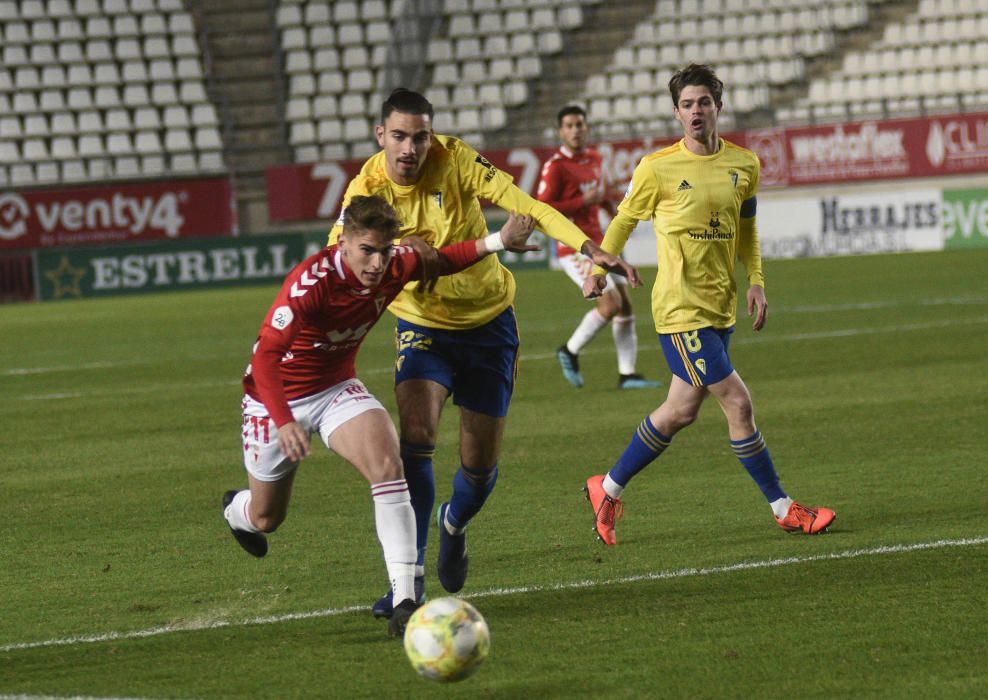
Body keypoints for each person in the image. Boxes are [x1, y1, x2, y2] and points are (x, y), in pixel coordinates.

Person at [329, 88, 640, 618]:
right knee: (417, 439)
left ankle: (453, 523)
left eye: (419, 136)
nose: (410, 148)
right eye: (399, 136)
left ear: (432, 136)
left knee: (478, 467)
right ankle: (412, 577)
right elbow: (342, 246)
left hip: (489, 321)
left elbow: (530, 207)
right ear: (381, 136)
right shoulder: (369, 188)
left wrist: (591, 250)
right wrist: (400, 251)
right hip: (422, 325)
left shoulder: (455, 159)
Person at [222, 194, 539, 637]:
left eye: (384, 250)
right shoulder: (311, 283)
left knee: (390, 467)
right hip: (276, 399)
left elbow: (441, 262)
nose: (376, 263)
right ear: (344, 243)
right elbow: (266, 359)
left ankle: (407, 599)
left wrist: (497, 241)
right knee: (267, 518)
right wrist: (283, 420)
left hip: (336, 389)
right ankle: (236, 512)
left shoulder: (395, 264)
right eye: (366, 250)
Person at [582, 64, 835, 545]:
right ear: (676, 113)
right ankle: (784, 509)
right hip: (680, 311)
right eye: (686, 104)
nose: (695, 111)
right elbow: (623, 220)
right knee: (738, 404)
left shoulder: (745, 164)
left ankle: (606, 487)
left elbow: (748, 229)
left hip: (720, 308)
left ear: (718, 106)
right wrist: (599, 268)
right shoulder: (656, 168)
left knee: (679, 411)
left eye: (703, 102)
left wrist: (756, 280)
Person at [537, 105, 661, 391]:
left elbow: (599, 194)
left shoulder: (594, 157)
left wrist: (610, 206)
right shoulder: (555, 166)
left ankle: (627, 374)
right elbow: (542, 209)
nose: (575, 130)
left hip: (602, 244)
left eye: (579, 124)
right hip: (574, 247)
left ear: (586, 127)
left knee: (626, 305)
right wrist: (582, 202)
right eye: (569, 125)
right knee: (611, 304)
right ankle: (569, 350)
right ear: (560, 131)